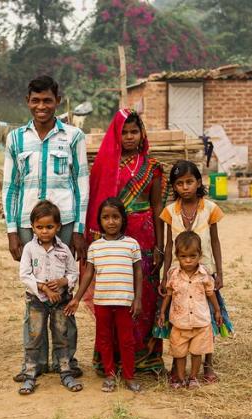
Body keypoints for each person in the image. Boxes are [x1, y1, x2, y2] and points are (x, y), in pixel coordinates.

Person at [2, 75, 89, 382]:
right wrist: (12, 231)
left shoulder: (74, 136)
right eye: (35, 100)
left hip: (64, 224)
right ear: (28, 101)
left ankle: (66, 361)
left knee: (63, 292)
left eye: (47, 100)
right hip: (29, 226)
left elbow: (81, 184)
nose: (41, 106)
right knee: (35, 295)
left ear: (57, 100)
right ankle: (34, 362)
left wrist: (78, 229)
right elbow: (10, 187)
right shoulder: (15, 139)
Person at [84, 108, 166, 374]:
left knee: (145, 296)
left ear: (142, 134)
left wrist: (160, 246)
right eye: (125, 132)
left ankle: (145, 358)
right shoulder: (106, 165)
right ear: (116, 135)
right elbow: (96, 202)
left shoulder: (152, 167)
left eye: (134, 131)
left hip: (144, 238)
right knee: (114, 294)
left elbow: (157, 208)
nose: (130, 137)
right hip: (112, 240)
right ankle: (111, 359)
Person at [159, 160, 233, 384]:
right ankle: (176, 366)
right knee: (178, 318)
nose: (185, 187)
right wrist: (165, 274)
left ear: (199, 182)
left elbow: (216, 241)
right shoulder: (170, 211)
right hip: (177, 274)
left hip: (205, 272)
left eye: (190, 182)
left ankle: (208, 364)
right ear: (174, 187)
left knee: (207, 318)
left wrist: (218, 272)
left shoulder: (210, 208)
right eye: (179, 183)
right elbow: (169, 246)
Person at [66, 197, 142, 393]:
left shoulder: (132, 245)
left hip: (125, 301)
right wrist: (76, 297)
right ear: (99, 221)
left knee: (126, 340)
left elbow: (138, 272)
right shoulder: (95, 247)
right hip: (102, 301)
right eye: (106, 217)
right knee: (104, 339)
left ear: (123, 219)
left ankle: (129, 376)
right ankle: (110, 374)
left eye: (116, 217)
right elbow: (89, 273)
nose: (111, 221)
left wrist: (138, 298)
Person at [17, 200, 83, 395]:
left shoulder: (64, 250)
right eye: (39, 227)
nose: (44, 231)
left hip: (60, 302)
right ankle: (30, 373)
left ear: (58, 227)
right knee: (34, 336)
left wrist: (63, 282)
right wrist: (44, 287)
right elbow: (24, 275)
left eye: (49, 227)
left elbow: (73, 273)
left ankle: (65, 371)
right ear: (32, 227)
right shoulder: (29, 249)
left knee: (62, 335)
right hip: (37, 301)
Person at [157, 231, 223, 389]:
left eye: (192, 256)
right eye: (183, 257)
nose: (188, 261)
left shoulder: (204, 274)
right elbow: (169, 294)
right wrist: (162, 312)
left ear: (199, 255)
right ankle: (180, 378)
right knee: (179, 354)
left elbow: (210, 293)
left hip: (201, 322)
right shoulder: (173, 274)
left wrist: (217, 310)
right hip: (179, 322)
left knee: (196, 353)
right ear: (177, 256)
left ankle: (193, 378)